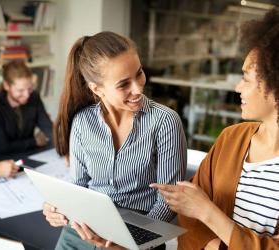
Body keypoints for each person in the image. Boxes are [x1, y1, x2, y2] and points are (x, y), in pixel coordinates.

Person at [42, 31, 187, 250]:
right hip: (82, 232)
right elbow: (79, 186)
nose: (138, 88)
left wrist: (132, 243)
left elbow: (168, 201)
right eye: (123, 84)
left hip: (139, 236)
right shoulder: (82, 122)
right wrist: (59, 208)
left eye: (139, 74)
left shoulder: (165, 122)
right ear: (96, 89)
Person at [151, 8, 279, 250]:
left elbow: (198, 208)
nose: (238, 87)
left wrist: (207, 211)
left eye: (247, 79)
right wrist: (215, 243)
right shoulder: (232, 138)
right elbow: (189, 213)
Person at [0, 60, 52, 157]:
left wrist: (66, 148)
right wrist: (34, 142)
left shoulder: (34, 97)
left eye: (29, 88)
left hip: (27, 155)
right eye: (20, 90)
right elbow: (2, 147)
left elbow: (49, 129)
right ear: (6, 86)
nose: (26, 95)